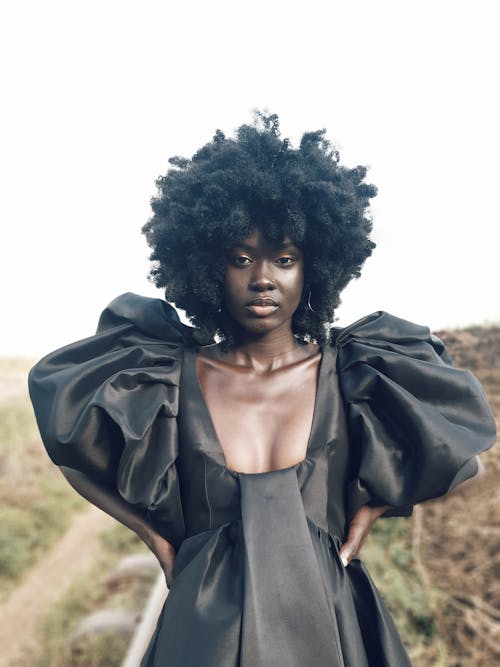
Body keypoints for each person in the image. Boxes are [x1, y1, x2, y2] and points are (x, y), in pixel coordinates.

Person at [29, 113, 496, 666]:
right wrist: (154, 539)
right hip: (202, 638)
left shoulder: (356, 372)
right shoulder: (165, 374)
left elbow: (467, 463)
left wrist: (376, 509)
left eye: (285, 258)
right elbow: (75, 455)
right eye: (241, 258)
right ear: (207, 267)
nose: (264, 278)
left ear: (314, 268)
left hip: (331, 624)